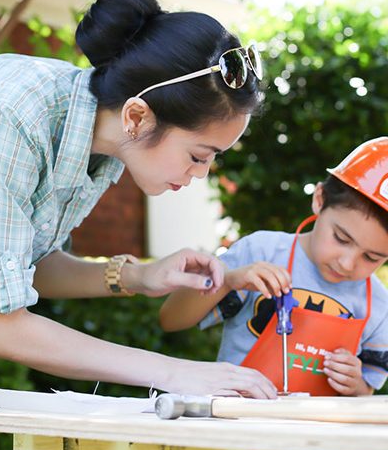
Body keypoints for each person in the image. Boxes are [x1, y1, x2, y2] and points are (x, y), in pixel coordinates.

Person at [0, 0, 277, 398]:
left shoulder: (104, 142)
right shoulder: (10, 116)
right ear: (137, 116)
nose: (201, 174)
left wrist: (139, 276)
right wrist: (174, 373)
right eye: (199, 155)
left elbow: (28, 267)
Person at [160, 138, 388, 397]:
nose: (347, 263)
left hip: (317, 435)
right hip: (238, 422)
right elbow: (171, 319)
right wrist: (229, 280)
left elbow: (366, 392)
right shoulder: (260, 252)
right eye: (341, 238)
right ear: (320, 199)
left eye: (372, 257)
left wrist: (356, 384)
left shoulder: (380, 306)